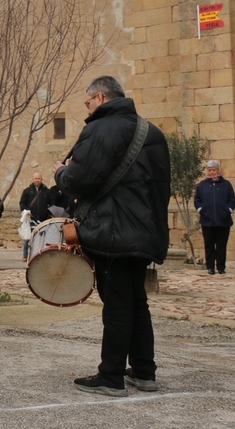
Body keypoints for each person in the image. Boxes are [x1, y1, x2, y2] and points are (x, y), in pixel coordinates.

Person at [55, 75, 170, 397]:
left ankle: (112, 377)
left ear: (101, 98)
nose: (87, 109)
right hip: (145, 231)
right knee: (137, 302)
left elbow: (81, 180)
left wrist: (60, 172)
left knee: (117, 305)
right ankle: (144, 372)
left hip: (113, 231)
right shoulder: (152, 131)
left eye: (88, 102)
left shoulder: (102, 128)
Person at [194, 160, 235, 275]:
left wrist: (228, 210)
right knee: (209, 244)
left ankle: (221, 267)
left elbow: (232, 200)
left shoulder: (226, 184)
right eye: (209, 170)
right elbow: (197, 200)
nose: (212, 172)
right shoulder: (202, 185)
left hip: (223, 220)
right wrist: (200, 210)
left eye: (214, 170)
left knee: (221, 245)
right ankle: (210, 266)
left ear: (218, 170)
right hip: (207, 220)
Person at [19, 172, 48, 259]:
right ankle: (25, 254)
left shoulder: (47, 191)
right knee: (28, 237)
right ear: (33, 179)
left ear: (41, 179)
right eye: (36, 178)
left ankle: (39, 253)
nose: (37, 180)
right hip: (30, 218)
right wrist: (26, 211)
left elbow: (51, 203)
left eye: (39, 178)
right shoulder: (27, 191)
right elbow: (22, 203)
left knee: (42, 237)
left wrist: (48, 213)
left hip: (43, 218)